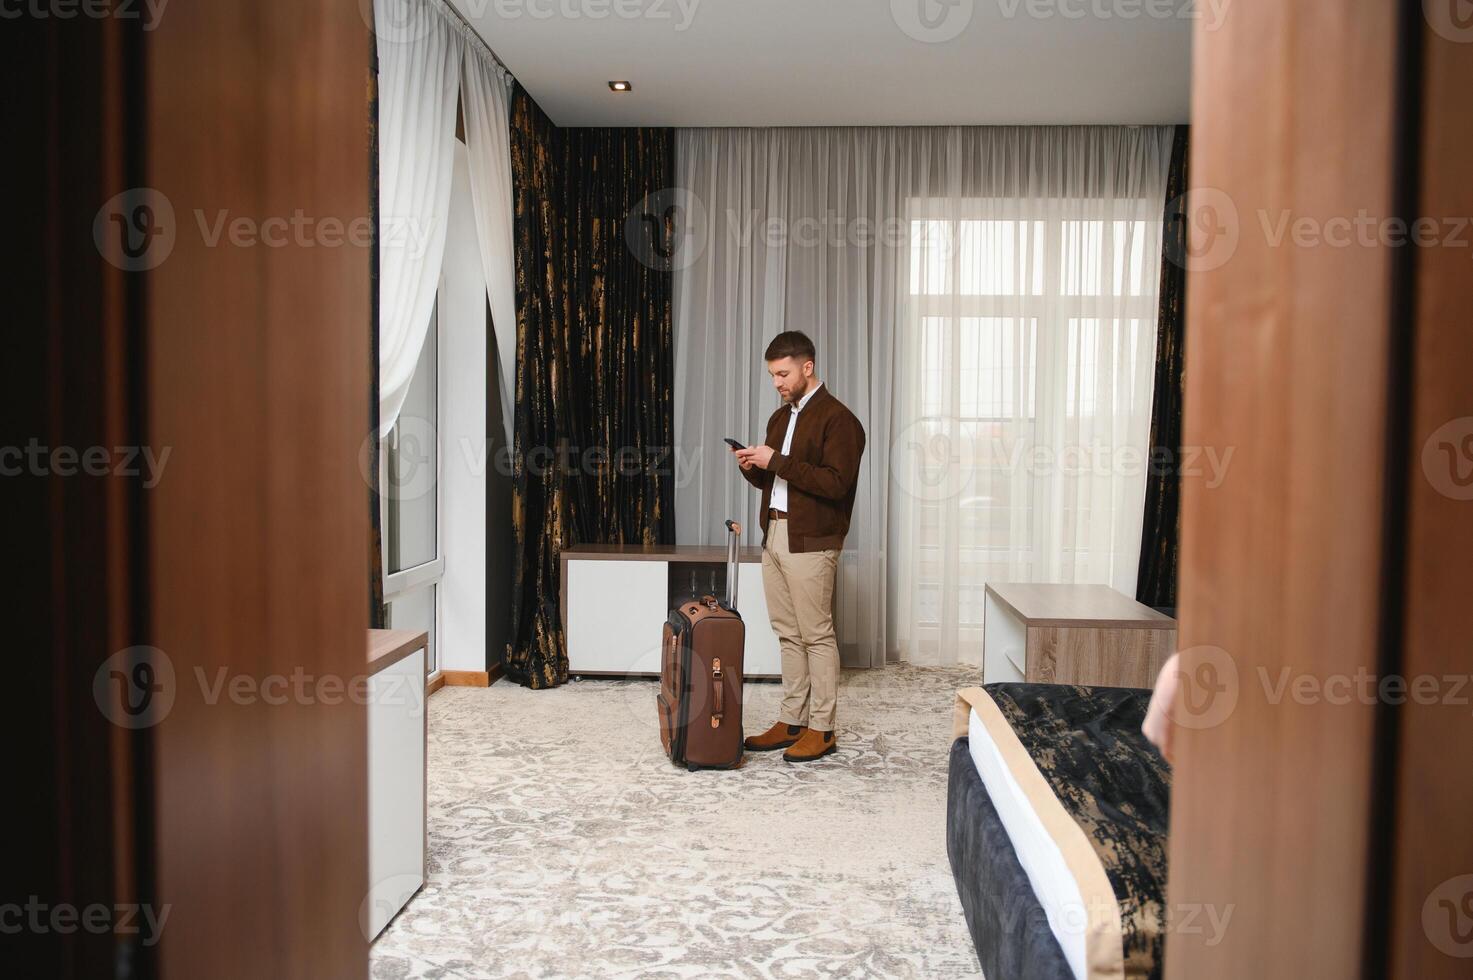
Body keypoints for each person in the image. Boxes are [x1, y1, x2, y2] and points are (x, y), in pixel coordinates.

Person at [732, 331, 866, 762]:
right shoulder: (779, 418)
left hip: (811, 540)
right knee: (788, 634)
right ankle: (792, 720)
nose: (777, 382)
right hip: (775, 533)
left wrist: (777, 461)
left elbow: (835, 483)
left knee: (816, 635)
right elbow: (778, 482)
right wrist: (753, 466)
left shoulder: (839, 419)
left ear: (807, 368)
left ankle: (822, 728)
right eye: (773, 375)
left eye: (783, 373)